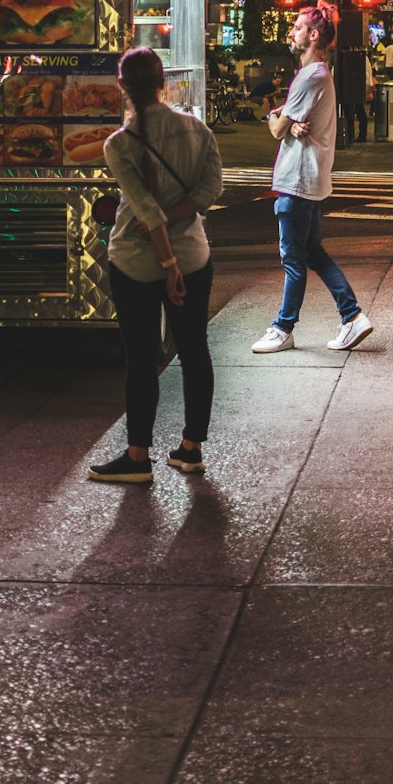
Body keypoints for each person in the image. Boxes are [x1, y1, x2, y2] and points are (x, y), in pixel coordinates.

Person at [90, 48, 223, 484]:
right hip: (195, 256)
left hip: (135, 263)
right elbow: (209, 190)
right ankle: (191, 449)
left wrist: (166, 262)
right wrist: (178, 249)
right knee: (194, 350)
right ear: (163, 82)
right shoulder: (197, 131)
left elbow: (146, 210)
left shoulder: (119, 145)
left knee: (142, 358)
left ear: (122, 88)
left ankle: (137, 456)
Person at [252, 1, 374, 355]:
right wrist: (286, 118)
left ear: (314, 34)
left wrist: (278, 116)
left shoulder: (310, 77)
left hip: (297, 181)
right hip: (308, 180)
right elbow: (285, 123)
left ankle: (283, 328)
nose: (292, 31)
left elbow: (276, 130)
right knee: (314, 253)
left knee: (293, 258)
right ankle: (352, 317)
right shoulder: (317, 75)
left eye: (297, 26)